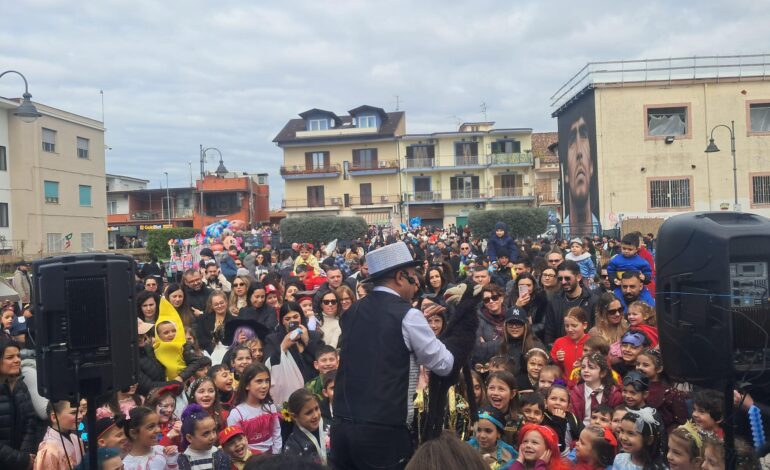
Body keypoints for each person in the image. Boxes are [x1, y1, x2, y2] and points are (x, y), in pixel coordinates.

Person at [332, 242, 476, 470]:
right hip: (383, 435)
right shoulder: (408, 316)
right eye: (413, 276)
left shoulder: (353, 311)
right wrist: (457, 328)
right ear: (400, 277)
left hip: (341, 428)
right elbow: (445, 364)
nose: (417, 282)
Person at [226, 363, 281, 455]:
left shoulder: (270, 407)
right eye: (259, 381)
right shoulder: (236, 414)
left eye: (267, 381)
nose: (264, 386)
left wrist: (275, 455)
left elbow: (276, 433)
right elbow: (236, 444)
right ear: (247, 385)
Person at [0, 337, 37, 470]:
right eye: (10, 357)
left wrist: (25, 455)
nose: (17, 360)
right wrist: (20, 459)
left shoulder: (20, 386)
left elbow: (30, 422)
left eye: (18, 356)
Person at [543, 261, 598, 345]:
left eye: (567, 278)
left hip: (586, 350)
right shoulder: (554, 301)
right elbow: (549, 333)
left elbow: (596, 332)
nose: (563, 282)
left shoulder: (593, 301)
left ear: (579, 277)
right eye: (560, 279)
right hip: (561, 352)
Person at [562, 113, 599, 237]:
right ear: (566, 173)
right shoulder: (561, 233)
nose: (579, 152)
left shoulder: (600, 228)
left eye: (583, 135)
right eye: (572, 141)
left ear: (592, 166)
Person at [177, 403, 231, 470]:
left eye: (214, 430)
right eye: (206, 434)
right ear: (189, 438)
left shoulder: (221, 456)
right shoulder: (182, 460)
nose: (212, 437)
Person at [34, 400, 84, 470]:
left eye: (81, 412)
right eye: (74, 412)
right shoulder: (49, 450)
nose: (80, 416)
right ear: (54, 417)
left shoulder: (77, 440)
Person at [282, 389, 328, 465]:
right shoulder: (293, 446)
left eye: (317, 408)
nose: (316, 415)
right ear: (294, 416)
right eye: (309, 413)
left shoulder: (331, 429)